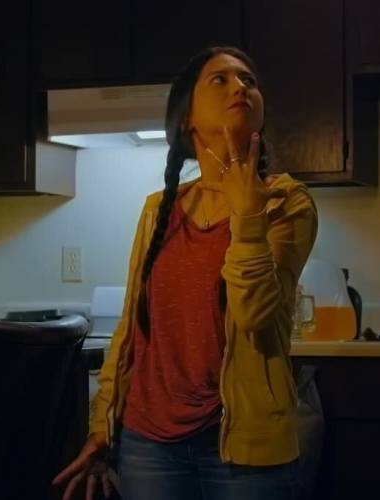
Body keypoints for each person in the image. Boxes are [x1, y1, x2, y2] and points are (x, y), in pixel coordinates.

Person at [53, 46, 318, 500]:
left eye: (249, 80)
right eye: (221, 79)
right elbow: (131, 332)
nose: (241, 87)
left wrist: (247, 217)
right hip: (147, 445)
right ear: (186, 120)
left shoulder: (286, 202)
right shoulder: (158, 209)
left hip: (245, 449)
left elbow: (256, 316)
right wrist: (104, 425)